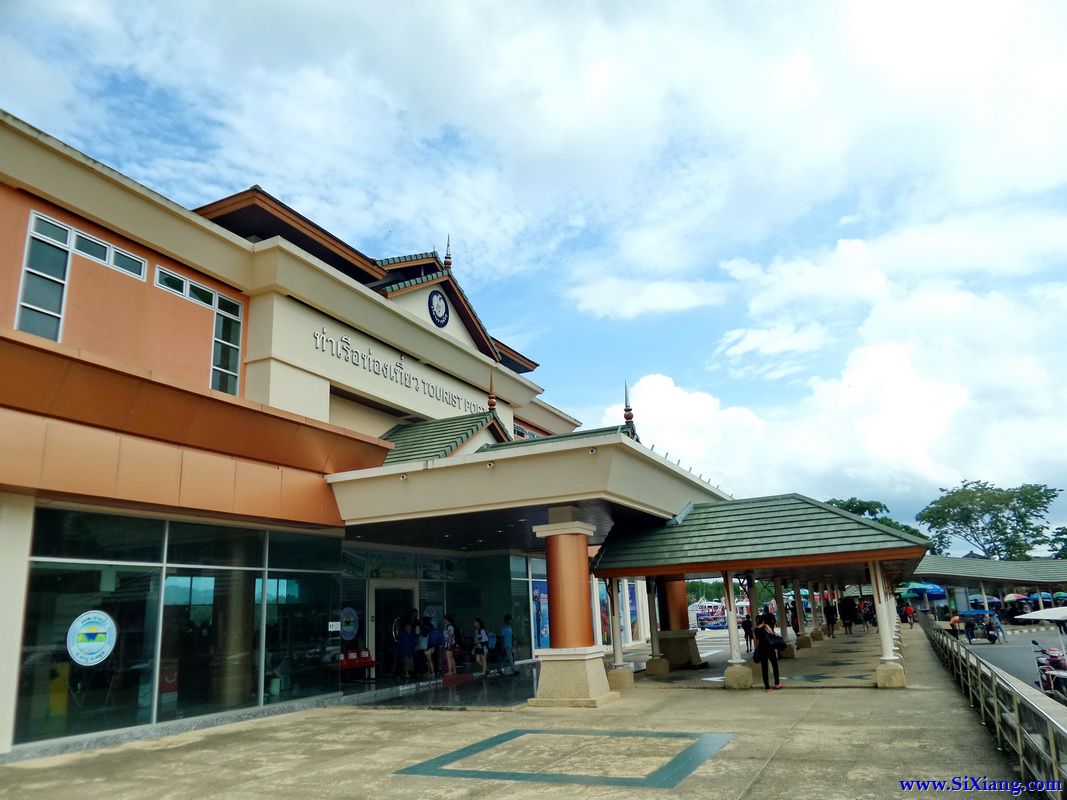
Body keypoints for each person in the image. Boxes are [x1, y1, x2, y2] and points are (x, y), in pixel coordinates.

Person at [754, 612, 783, 692]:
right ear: (763, 621)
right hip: (770, 649)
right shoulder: (766, 627)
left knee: (764, 668)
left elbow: (757, 641)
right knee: (775, 665)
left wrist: (757, 649)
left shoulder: (755, 630)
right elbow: (772, 634)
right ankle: (777, 683)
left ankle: (767, 687)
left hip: (761, 650)